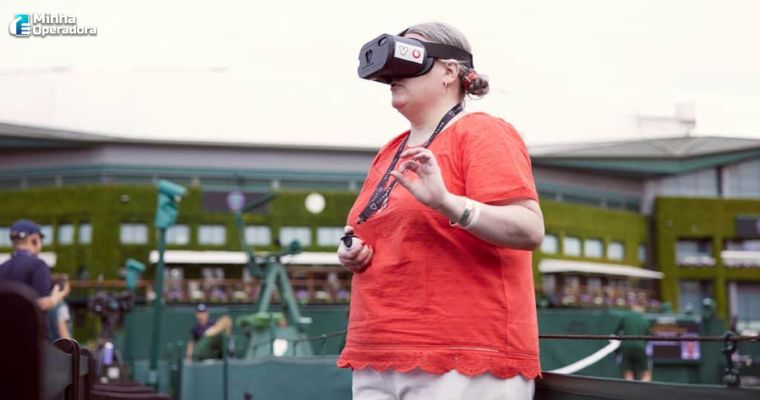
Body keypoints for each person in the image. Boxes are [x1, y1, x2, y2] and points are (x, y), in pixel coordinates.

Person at [338, 22, 544, 399]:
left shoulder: (482, 131)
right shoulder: (390, 151)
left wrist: (449, 204)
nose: (393, 76)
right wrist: (352, 250)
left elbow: (529, 228)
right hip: (377, 354)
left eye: (409, 59)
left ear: (450, 71)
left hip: (462, 354)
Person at [0, 220, 69, 312]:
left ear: (13, 243)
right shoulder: (38, 265)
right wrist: (56, 298)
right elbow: (39, 305)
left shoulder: (2, 267)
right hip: (28, 321)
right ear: (34, 240)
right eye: (41, 238)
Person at [615, 305, 652, 381]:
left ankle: (630, 385)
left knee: (628, 372)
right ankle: (645, 386)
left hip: (626, 347)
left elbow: (616, 333)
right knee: (646, 372)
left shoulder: (625, 317)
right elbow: (648, 337)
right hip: (640, 347)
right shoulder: (645, 321)